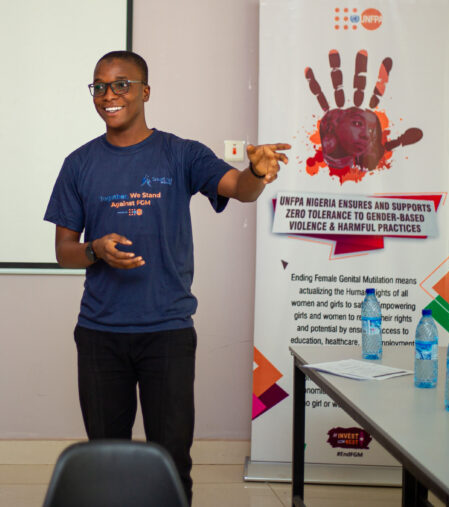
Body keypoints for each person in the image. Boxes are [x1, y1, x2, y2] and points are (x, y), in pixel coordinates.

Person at [43, 50, 289, 504]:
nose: (109, 95)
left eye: (121, 84)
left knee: (172, 463)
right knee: (106, 464)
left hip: (167, 333)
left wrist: (256, 171)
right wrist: (95, 250)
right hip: (100, 334)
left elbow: (240, 189)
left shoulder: (181, 154)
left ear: (145, 92)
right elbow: (63, 253)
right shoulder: (79, 164)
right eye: (100, 86)